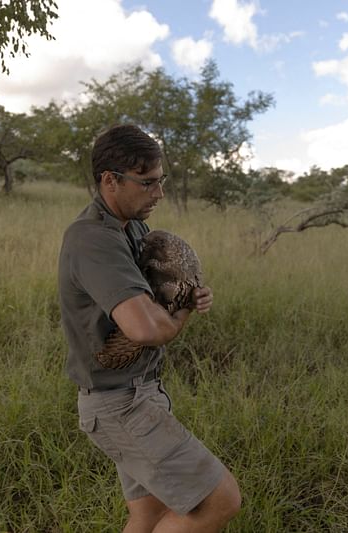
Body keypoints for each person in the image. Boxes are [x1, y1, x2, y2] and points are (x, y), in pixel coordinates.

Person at [58, 124, 241, 532]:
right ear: (110, 180)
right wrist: (181, 316)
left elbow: (155, 295)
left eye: (162, 182)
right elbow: (146, 329)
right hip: (119, 405)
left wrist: (188, 296)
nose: (159, 194)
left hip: (140, 392)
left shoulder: (132, 228)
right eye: (148, 183)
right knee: (220, 500)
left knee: (150, 511)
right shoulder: (93, 239)